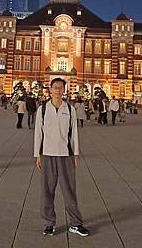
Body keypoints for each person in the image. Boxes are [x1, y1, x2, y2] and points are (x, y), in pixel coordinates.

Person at [34, 78, 89, 238]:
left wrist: (76, 153)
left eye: (60, 88)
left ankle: (76, 223)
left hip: (65, 155)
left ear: (64, 91)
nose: (58, 90)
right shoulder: (43, 109)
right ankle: (49, 223)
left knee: (69, 190)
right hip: (47, 154)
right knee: (47, 190)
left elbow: (74, 134)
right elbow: (38, 133)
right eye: (55, 87)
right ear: (50, 90)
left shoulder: (70, 109)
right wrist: (37, 155)